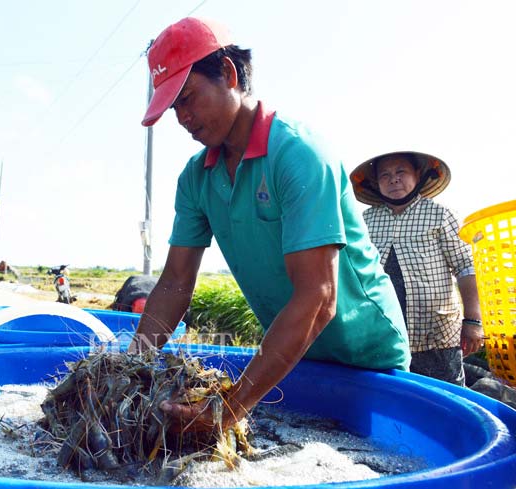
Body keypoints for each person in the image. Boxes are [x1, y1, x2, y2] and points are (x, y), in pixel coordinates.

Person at [128, 17, 410, 433]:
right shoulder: (196, 178)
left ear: (228, 73)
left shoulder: (298, 154)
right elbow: (173, 283)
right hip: (294, 354)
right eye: (174, 108)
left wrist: (229, 407)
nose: (182, 118)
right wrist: (127, 369)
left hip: (365, 352)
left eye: (188, 98)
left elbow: (318, 298)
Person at [349, 151, 483, 386]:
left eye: (401, 171)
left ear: (418, 175)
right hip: (382, 336)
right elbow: (353, 272)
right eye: (385, 175)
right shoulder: (366, 220)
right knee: (391, 398)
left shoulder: (439, 214)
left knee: (446, 399)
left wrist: (473, 320)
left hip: (436, 335)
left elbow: (465, 266)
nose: (393, 179)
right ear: (376, 183)